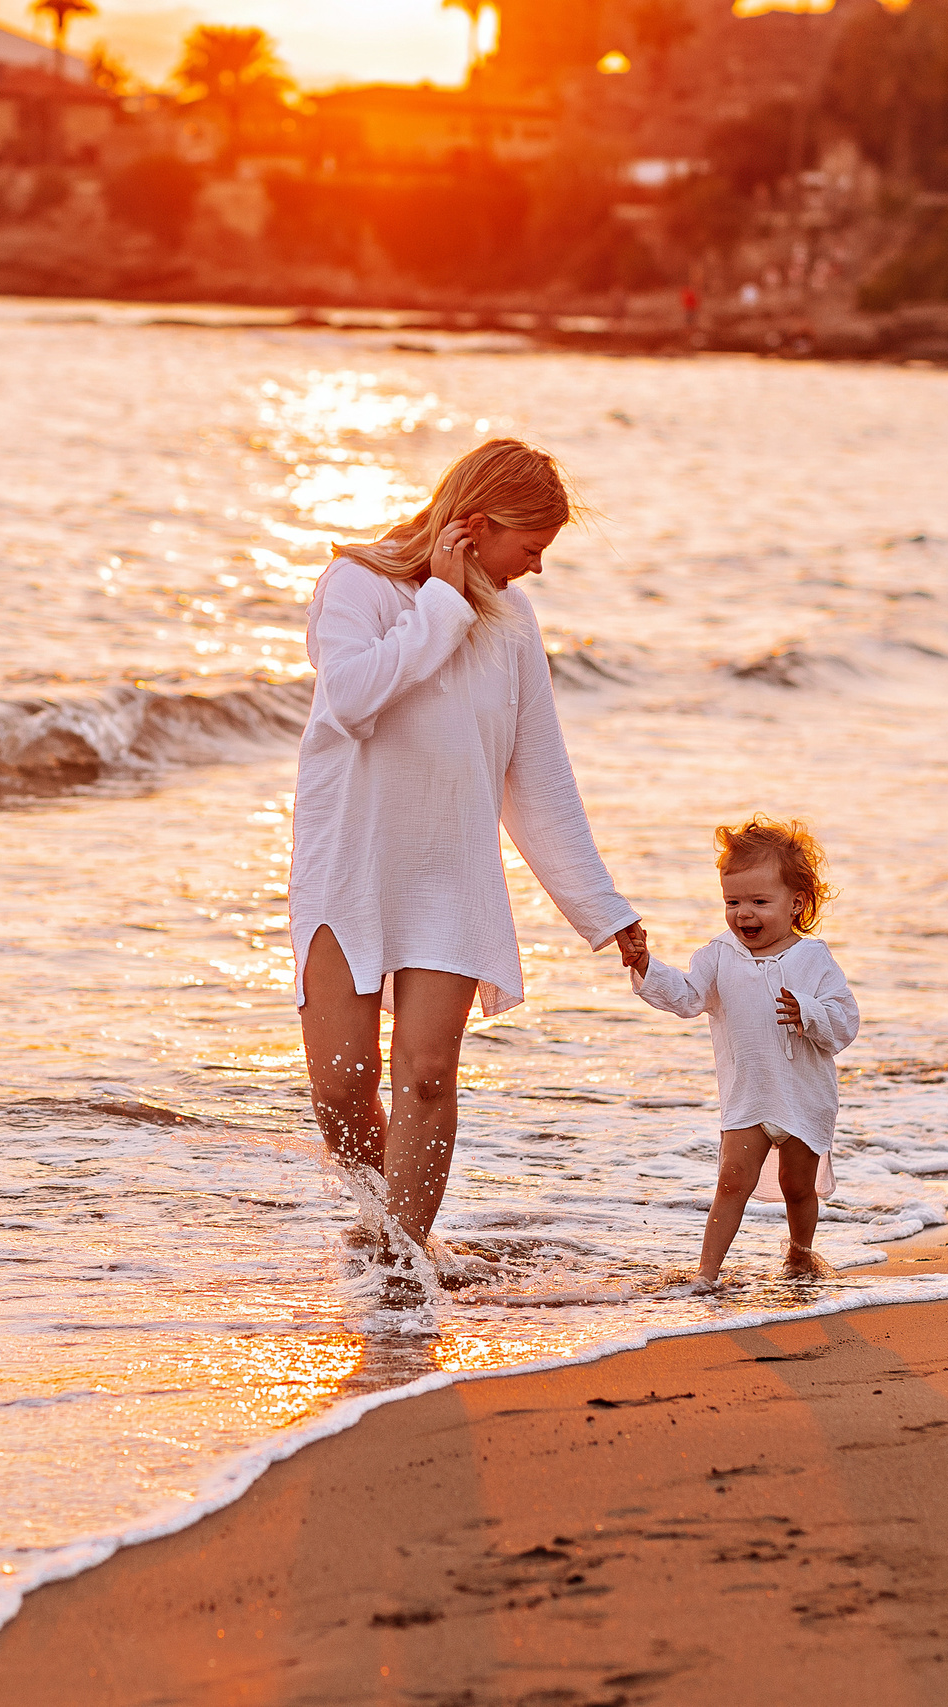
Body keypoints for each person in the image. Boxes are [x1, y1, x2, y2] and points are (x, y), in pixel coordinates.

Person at [289, 439, 646, 1278]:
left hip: (452, 873)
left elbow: (539, 779)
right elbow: (351, 699)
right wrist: (442, 607)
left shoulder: (514, 623)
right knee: (342, 1086)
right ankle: (379, 1225)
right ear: (477, 526)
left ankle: (402, 1263)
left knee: (425, 1076)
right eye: (532, 546)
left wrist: (605, 910)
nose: (538, 568)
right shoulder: (356, 584)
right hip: (350, 865)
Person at [623, 814, 859, 1287]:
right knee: (732, 1182)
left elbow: (845, 1022)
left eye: (758, 901)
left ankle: (800, 1256)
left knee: (797, 1186)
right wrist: (646, 963)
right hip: (748, 1095)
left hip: (802, 1096)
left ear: (796, 904)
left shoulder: (813, 958)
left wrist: (808, 1012)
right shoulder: (718, 954)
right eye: (732, 901)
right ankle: (706, 1273)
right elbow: (687, 996)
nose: (743, 913)